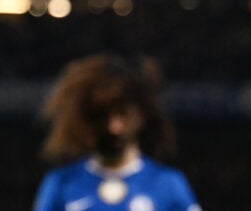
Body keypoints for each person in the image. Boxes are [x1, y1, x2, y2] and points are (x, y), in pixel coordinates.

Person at [32, 53, 201, 211]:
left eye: (123, 114)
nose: (114, 127)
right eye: (103, 116)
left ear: (141, 116)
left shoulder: (168, 184)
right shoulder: (60, 184)